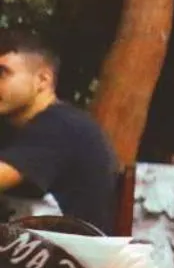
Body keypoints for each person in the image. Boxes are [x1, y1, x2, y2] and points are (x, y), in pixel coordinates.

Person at [0, 29, 119, 231]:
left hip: (73, 258)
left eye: (2, 73)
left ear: (42, 80)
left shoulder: (62, 126)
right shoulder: (14, 129)